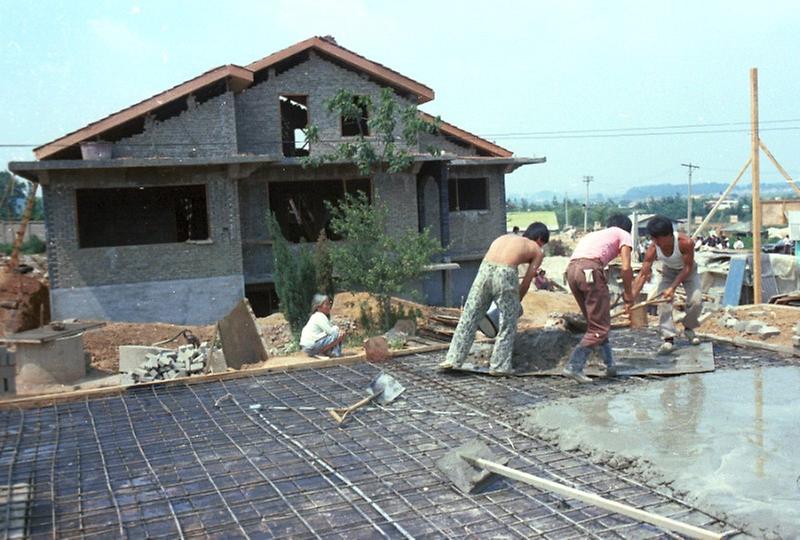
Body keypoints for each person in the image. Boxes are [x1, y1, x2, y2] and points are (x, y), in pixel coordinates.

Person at [439, 222, 550, 374]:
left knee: (469, 316)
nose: (541, 247)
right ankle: (499, 366)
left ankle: (452, 359)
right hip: (505, 272)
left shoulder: (504, 238)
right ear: (539, 238)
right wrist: (516, 304)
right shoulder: (536, 250)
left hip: (484, 269)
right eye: (542, 243)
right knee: (508, 322)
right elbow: (527, 280)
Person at [562, 214, 634, 383]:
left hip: (572, 271)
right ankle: (574, 366)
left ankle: (610, 365)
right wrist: (629, 294)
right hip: (590, 271)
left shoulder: (594, 235)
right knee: (599, 327)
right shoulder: (623, 234)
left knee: (596, 323)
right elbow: (626, 267)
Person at [632, 215, 703, 355]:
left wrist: (673, 287)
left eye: (658, 239)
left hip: (688, 271)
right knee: (664, 303)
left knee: (696, 300)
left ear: (669, 235)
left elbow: (687, 268)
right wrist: (632, 297)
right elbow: (643, 273)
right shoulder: (653, 247)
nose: (656, 242)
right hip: (668, 271)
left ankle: (689, 328)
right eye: (653, 239)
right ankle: (668, 337)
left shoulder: (685, 243)